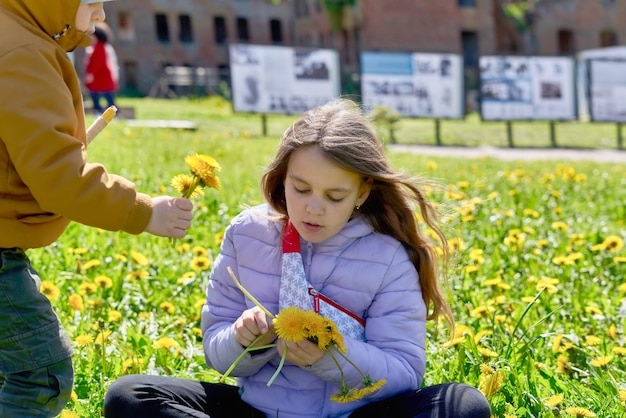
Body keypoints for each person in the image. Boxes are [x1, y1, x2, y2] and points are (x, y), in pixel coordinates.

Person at [104, 98, 491, 418]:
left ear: (362, 192)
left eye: (334, 196)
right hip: (256, 411)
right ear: (281, 177)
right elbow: (216, 349)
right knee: (128, 396)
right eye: (300, 188)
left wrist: (331, 356)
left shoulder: (387, 257)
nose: (313, 209)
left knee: (464, 406)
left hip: (349, 415)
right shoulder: (248, 232)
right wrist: (244, 341)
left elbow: (405, 373)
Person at [0, 1, 194, 416]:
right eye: (91, 3)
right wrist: (142, 212)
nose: (102, 16)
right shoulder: (24, 53)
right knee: (41, 373)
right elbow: (58, 176)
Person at [84, 23, 119, 114]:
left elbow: (98, 62)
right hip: (98, 77)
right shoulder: (96, 46)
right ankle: (99, 110)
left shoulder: (100, 47)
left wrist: (91, 73)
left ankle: (110, 112)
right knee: (96, 93)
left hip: (101, 76)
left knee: (105, 94)